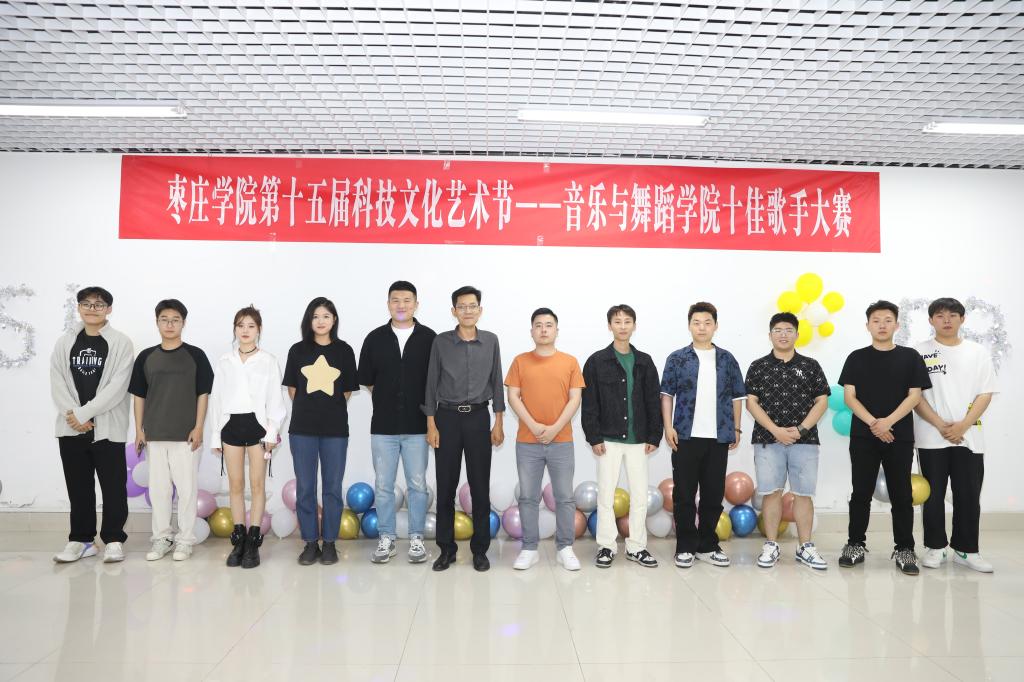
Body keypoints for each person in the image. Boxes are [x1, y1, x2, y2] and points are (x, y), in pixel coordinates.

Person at [838, 300, 931, 575]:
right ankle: (855, 544)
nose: (882, 325)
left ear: (897, 325)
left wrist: (888, 422)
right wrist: (874, 424)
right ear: (867, 325)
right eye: (876, 320)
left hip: (899, 436)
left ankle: (905, 548)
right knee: (861, 493)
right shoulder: (856, 357)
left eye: (888, 320)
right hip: (863, 436)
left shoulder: (910, 357)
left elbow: (914, 396)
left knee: (901, 494)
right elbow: (849, 397)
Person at [424, 285, 505, 572]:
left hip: (478, 418)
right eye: (462, 306)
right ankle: (446, 550)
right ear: (454, 311)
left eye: (472, 306)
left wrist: (498, 422)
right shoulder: (441, 342)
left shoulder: (491, 341)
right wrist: (431, 424)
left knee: (480, 487)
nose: (467, 311)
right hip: (446, 419)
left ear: (480, 310)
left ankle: (480, 550)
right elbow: (431, 384)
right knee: (445, 487)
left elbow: (497, 382)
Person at [50, 286, 134, 563]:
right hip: (71, 428)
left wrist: (85, 413)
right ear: (79, 308)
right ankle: (81, 540)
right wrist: (74, 416)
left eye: (98, 304)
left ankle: (113, 539)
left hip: (107, 429)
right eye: (86, 303)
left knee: (113, 488)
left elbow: (117, 387)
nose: (91, 309)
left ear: (109, 309)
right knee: (78, 488)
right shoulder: (65, 342)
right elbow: (57, 382)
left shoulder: (121, 343)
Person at [914, 297, 998, 572]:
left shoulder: (977, 352)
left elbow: (985, 393)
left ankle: (966, 550)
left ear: (962, 319)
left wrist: (963, 425)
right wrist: (940, 425)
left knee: (968, 494)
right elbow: (915, 396)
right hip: (930, 436)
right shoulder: (919, 352)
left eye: (952, 315)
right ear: (931, 321)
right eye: (940, 315)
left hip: (969, 437)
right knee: (932, 495)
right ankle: (935, 547)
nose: (946, 320)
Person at [660, 302, 745, 569]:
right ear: (689, 326)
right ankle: (685, 546)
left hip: (718, 436)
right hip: (685, 436)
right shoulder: (677, 358)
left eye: (707, 323)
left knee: (713, 494)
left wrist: (737, 428)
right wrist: (668, 427)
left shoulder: (727, 359)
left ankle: (707, 545)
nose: (702, 328)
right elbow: (666, 395)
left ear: (715, 326)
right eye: (696, 323)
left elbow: (738, 397)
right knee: (684, 494)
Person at [358, 281, 436, 564]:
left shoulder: (430, 338)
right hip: (383, 426)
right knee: (383, 485)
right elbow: (367, 380)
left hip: (418, 426)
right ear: (388, 304)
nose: (401, 305)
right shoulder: (375, 338)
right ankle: (386, 538)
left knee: (418, 484)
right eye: (395, 300)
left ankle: (416, 538)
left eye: (407, 300)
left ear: (416, 304)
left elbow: (435, 381)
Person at [744, 312, 830, 570]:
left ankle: (806, 547)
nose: (783, 334)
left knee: (803, 494)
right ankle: (771, 545)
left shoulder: (811, 365)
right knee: (771, 493)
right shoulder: (758, 366)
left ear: (797, 334)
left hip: (805, 441)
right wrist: (775, 430)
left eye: (788, 330)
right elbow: (751, 403)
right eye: (778, 330)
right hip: (767, 441)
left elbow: (822, 401)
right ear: (770, 335)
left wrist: (801, 429)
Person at [130, 299, 213, 562]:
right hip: (154, 434)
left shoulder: (196, 356)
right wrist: (139, 430)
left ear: (183, 323)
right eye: (164, 319)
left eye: (175, 320)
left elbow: (203, 394)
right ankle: (162, 538)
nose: (169, 324)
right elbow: (139, 396)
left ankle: (185, 540)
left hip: (186, 436)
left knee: (187, 491)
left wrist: (198, 427)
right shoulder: (146, 357)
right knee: (159, 490)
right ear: (157, 322)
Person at [581, 304, 662, 569]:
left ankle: (636, 547)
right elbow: (589, 402)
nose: (623, 326)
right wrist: (594, 437)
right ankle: (606, 546)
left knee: (639, 495)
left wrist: (654, 435)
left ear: (634, 326)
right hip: (608, 438)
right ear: (610, 326)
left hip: (639, 440)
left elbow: (653, 400)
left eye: (627, 321)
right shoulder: (596, 361)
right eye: (617, 321)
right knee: (605, 495)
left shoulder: (645, 361)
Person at [506, 308, 585, 571]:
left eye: (548, 325)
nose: (543, 329)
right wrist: (535, 426)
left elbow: (575, 398)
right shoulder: (520, 361)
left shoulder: (570, 362)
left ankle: (565, 548)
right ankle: (529, 548)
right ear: (531, 331)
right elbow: (513, 396)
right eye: (538, 325)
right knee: (528, 496)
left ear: (556, 330)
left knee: (564, 497)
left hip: (561, 440)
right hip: (527, 441)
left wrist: (554, 428)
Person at [284, 297, 359, 566]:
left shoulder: (344, 351)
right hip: (302, 429)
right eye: (315, 316)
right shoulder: (297, 351)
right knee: (305, 488)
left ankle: (329, 543)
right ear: (309, 320)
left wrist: (329, 410)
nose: (321, 321)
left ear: (334, 320)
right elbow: (293, 389)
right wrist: (310, 410)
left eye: (326, 316)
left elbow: (347, 390)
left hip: (335, 430)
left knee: (332, 488)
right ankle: (309, 542)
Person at [210, 305, 286, 569]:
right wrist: (215, 436)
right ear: (234, 329)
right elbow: (217, 400)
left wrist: (272, 431)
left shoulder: (268, 361)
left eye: (251, 326)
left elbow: (275, 400)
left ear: (259, 330)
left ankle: (253, 542)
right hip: (230, 425)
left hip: (258, 427)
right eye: (240, 325)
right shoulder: (224, 361)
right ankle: (239, 539)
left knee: (257, 485)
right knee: (235, 485)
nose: (245, 330)